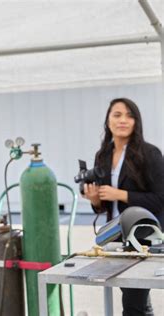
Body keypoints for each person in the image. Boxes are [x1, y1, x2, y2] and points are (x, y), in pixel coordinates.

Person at [83, 97, 164, 316]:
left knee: (133, 302)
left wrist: (120, 194)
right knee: (132, 294)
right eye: (117, 115)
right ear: (108, 121)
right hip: (117, 235)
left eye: (129, 115)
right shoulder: (103, 155)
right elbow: (105, 206)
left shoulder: (150, 154)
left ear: (136, 122)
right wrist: (96, 200)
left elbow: (159, 199)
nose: (123, 120)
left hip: (145, 235)